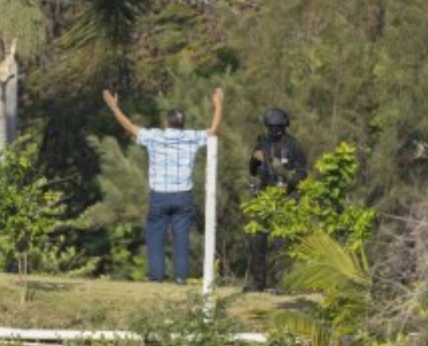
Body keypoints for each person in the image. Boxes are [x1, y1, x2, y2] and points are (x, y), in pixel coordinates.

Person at [103, 88, 224, 283]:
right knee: (182, 239)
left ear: (167, 122)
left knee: (155, 237)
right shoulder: (192, 137)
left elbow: (129, 126)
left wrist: (115, 108)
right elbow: (214, 130)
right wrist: (218, 105)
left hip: (159, 195)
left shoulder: (154, 136)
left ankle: (157, 277)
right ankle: (180, 279)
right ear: (182, 124)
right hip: (183, 195)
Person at [245, 107, 309, 292]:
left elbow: (302, 173)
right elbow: (252, 170)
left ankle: (282, 284)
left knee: (282, 242)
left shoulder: (293, 145)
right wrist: (254, 159)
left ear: (284, 126)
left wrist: (289, 185)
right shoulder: (262, 143)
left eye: (278, 126)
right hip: (265, 196)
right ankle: (258, 283)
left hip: (286, 198)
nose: (275, 130)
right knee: (257, 239)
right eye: (271, 127)